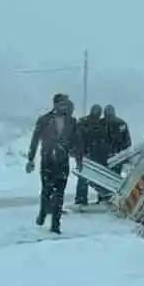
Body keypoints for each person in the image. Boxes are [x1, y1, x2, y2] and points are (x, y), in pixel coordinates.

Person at [27, 93, 84, 233]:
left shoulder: (71, 122)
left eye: (66, 104)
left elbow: (77, 142)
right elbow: (35, 140)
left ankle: (55, 225)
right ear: (55, 104)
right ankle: (42, 212)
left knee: (59, 194)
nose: (64, 106)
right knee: (46, 190)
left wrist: (79, 160)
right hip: (47, 160)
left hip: (62, 162)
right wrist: (31, 159)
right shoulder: (44, 120)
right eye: (62, 104)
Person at [74, 104, 105, 207]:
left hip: (90, 154)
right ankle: (97, 198)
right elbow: (79, 139)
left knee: (86, 178)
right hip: (90, 154)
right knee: (90, 178)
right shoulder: (95, 124)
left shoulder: (86, 122)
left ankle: (81, 199)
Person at [100, 105, 132, 203]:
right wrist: (124, 152)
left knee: (103, 176)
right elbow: (127, 140)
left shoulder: (101, 123)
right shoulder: (121, 123)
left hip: (106, 155)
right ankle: (111, 196)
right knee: (113, 176)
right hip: (116, 154)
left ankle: (104, 196)